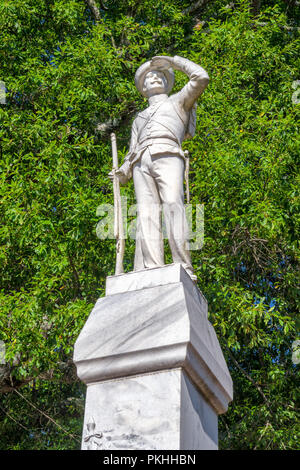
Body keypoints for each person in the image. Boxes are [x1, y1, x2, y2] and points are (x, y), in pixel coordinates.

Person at [112, 55, 209, 281]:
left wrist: (173, 62)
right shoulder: (139, 118)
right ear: (143, 87)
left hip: (168, 153)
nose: (154, 78)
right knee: (146, 215)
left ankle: (184, 266)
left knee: (173, 206)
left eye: (159, 75)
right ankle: (151, 267)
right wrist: (122, 172)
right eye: (149, 77)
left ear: (167, 82)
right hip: (140, 163)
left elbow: (201, 77)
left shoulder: (178, 101)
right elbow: (131, 151)